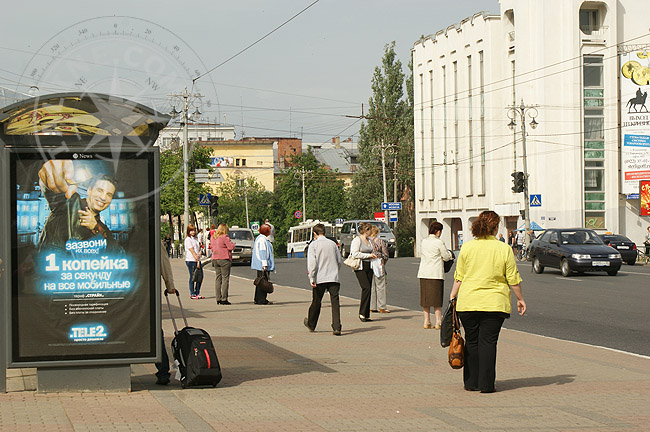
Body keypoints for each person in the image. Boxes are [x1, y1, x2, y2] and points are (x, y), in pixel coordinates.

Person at [450, 210, 526, 393]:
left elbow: (459, 277)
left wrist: (452, 296)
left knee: (472, 341)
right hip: (494, 303)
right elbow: (512, 278)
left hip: (468, 302)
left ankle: (471, 382)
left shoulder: (467, 248)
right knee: (488, 342)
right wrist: (520, 299)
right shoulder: (504, 249)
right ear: (495, 227)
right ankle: (486, 384)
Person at [37, 160, 118, 252]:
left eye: (109, 194)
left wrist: (95, 228)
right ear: (89, 190)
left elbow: (116, 252)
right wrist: (53, 173)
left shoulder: (103, 228)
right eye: (99, 190)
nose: (103, 197)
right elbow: (53, 189)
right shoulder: (70, 202)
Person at [304, 223, 342, 335]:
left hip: (319, 277)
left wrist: (311, 277)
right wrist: (335, 270)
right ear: (324, 232)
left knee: (316, 301)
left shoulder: (314, 245)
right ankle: (337, 326)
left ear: (315, 233)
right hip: (333, 277)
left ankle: (311, 323)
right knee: (335, 302)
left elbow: (312, 263)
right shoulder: (333, 244)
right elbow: (339, 260)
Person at [417, 221, 453, 329]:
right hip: (435, 273)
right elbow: (446, 256)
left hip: (424, 273)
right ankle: (438, 321)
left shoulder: (424, 241)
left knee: (425, 299)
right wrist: (450, 254)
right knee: (437, 299)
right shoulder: (439, 242)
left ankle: (426, 321)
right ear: (438, 231)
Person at [156, 240, 176, 385]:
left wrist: (170, 285)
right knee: (155, 332)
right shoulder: (152, 237)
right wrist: (170, 286)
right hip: (147, 295)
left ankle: (163, 371)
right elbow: (164, 263)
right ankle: (162, 371)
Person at [349, 222, 377, 322]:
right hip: (360, 266)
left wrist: (374, 255)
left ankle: (366, 314)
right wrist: (368, 256)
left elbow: (373, 250)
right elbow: (355, 253)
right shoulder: (357, 240)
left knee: (369, 288)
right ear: (366, 230)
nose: (371, 232)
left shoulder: (369, 240)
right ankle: (361, 313)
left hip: (369, 266)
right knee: (366, 288)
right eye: (370, 230)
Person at [209, 223, 236, 305]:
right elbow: (230, 247)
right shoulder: (225, 237)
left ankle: (218, 298)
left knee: (218, 279)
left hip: (215, 259)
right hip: (224, 258)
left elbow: (211, 247)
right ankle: (224, 299)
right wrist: (233, 244)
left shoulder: (213, 237)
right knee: (225, 279)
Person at [251, 223, 275, 305]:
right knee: (263, 283)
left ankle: (258, 298)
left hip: (260, 264)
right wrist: (264, 264)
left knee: (260, 282)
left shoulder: (260, 238)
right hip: (262, 264)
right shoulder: (262, 240)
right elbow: (263, 252)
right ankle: (261, 299)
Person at [369, 225, 390, 314]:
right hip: (378, 264)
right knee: (381, 285)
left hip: (369, 264)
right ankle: (381, 306)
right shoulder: (380, 241)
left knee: (371, 286)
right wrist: (383, 261)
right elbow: (386, 254)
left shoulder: (367, 242)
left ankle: (371, 306)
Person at [184, 224, 204, 299]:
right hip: (190, 260)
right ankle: (192, 293)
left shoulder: (195, 239)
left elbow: (198, 249)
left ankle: (197, 292)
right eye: (191, 231)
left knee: (200, 276)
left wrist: (199, 255)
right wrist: (196, 258)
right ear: (188, 231)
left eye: (194, 230)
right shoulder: (188, 239)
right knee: (193, 276)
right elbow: (191, 250)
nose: (193, 232)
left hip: (197, 260)